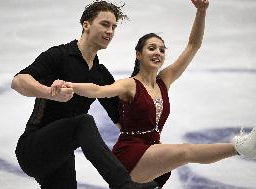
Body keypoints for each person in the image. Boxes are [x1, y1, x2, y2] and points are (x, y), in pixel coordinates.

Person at [59, 0, 256, 188]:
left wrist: (201, 11)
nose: (158, 53)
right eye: (151, 48)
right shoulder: (130, 85)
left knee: (183, 153)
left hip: (154, 152)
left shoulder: (164, 80)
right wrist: (71, 85)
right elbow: (98, 90)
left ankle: (241, 148)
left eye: (162, 50)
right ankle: (241, 147)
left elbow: (193, 45)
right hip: (132, 154)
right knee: (185, 151)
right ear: (138, 54)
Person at [11, 1, 158, 189]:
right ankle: (123, 185)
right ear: (86, 25)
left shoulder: (100, 74)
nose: (110, 31)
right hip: (33, 148)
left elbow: (123, 121)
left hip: (61, 155)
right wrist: (49, 93)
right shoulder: (59, 55)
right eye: (105, 24)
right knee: (84, 122)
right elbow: (18, 81)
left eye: (113, 27)